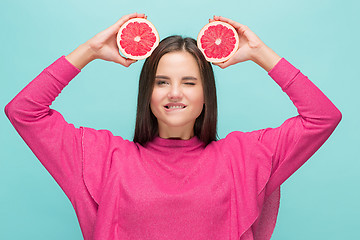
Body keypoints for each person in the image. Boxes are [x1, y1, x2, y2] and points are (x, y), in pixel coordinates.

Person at [4, 12, 342, 240]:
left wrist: (259, 53)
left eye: (190, 83)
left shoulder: (244, 155)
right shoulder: (105, 157)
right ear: (147, 93)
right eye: (162, 82)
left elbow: (323, 118)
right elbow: (24, 112)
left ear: (207, 94)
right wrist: (90, 51)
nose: (175, 93)